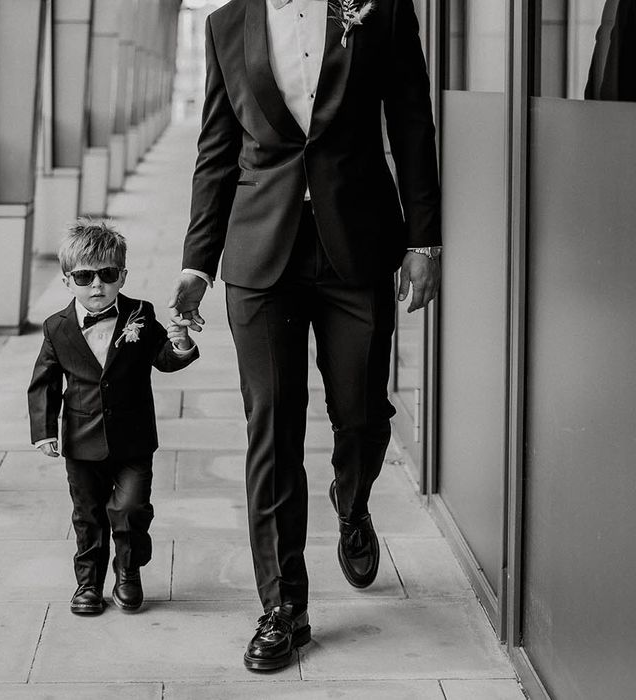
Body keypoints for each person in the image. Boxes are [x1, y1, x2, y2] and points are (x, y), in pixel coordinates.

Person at [170, 0, 441, 671]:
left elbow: (411, 121)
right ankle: (281, 608)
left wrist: (425, 241)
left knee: (361, 415)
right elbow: (216, 151)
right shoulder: (226, 25)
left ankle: (352, 503)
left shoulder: (378, 10)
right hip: (261, 259)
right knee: (272, 427)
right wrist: (196, 267)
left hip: (358, 246)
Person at [28, 219, 198, 615]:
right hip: (81, 439)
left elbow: (163, 359)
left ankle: (128, 571)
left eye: (107, 275)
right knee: (87, 516)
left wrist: (182, 344)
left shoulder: (140, 313)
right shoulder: (57, 327)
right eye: (85, 276)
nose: (97, 285)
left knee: (131, 509)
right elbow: (45, 381)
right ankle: (87, 584)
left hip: (134, 436)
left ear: (122, 276)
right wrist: (43, 430)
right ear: (68, 280)